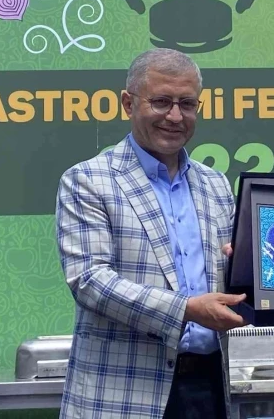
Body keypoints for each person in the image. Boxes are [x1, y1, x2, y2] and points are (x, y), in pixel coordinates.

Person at [56, 48, 247, 419]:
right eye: (161, 102)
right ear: (128, 103)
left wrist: (256, 271)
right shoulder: (87, 181)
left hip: (208, 387)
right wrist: (186, 309)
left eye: (187, 104)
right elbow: (90, 281)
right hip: (123, 395)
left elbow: (234, 275)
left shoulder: (215, 184)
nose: (175, 116)